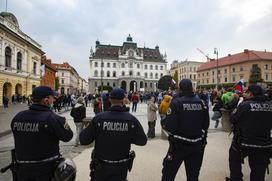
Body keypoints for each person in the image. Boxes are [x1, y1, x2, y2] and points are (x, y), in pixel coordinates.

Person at [80, 88, 147, 181]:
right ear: (123, 100)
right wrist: (127, 136)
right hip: (120, 167)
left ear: (110, 100)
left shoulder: (99, 118)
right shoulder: (131, 120)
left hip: (101, 166)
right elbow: (142, 141)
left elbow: (83, 139)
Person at [10, 86, 73, 181]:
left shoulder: (18, 117)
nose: (54, 101)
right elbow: (68, 136)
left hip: (22, 170)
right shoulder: (53, 118)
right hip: (46, 170)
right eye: (52, 98)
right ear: (46, 100)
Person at [161, 79, 210, 181]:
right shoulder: (201, 102)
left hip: (179, 145)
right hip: (197, 144)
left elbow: (170, 127)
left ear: (180, 89)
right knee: (193, 176)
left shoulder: (176, 103)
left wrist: (164, 121)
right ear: (192, 88)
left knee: (168, 174)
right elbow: (206, 125)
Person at [225, 85, 272, 181]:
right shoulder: (270, 105)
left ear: (250, 93)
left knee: (234, 159)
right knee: (258, 170)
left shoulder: (245, 105)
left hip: (244, 142)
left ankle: (236, 178)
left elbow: (233, 118)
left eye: (246, 92)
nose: (244, 94)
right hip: (264, 143)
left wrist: (238, 104)